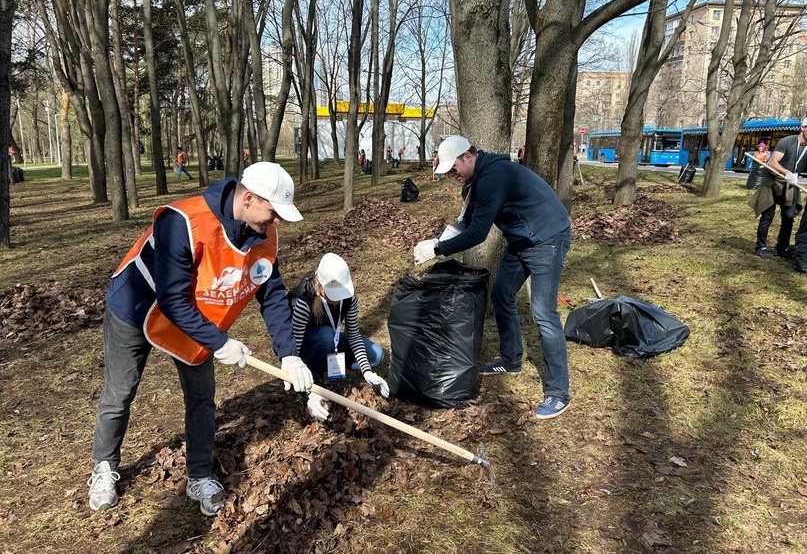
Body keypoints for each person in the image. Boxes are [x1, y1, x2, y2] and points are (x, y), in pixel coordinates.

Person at [87, 162, 314, 516]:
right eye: (273, 211)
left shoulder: (264, 235)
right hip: (136, 307)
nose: (277, 221)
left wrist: (289, 354)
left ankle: (200, 474)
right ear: (250, 198)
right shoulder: (182, 221)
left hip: (196, 318)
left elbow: (271, 294)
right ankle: (103, 467)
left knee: (202, 397)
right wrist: (220, 342)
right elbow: (172, 299)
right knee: (120, 392)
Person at [412, 135, 572, 420]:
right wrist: (436, 240)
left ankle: (559, 393)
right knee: (501, 295)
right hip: (521, 239)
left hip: (547, 237)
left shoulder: (494, 176)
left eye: (453, 168)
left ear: (467, 157)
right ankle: (511, 361)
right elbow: (465, 223)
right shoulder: (475, 183)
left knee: (544, 313)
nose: (452, 175)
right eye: (448, 171)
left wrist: (437, 249)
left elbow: (477, 234)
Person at [288, 253, 389, 421]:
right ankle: (312, 377)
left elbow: (354, 335)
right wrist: (306, 387)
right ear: (320, 285)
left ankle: (324, 363)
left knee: (376, 355)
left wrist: (367, 373)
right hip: (306, 345)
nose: (337, 299)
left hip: (329, 342)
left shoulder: (349, 296)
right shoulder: (303, 301)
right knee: (326, 334)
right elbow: (294, 346)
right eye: (332, 294)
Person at [748, 120, 807, 259]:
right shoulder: (787, 142)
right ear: (803, 128)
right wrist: (787, 173)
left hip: (791, 184)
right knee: (767, 216)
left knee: (788, 217)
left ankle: (782, 248)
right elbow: (773, 162)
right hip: (773, 182)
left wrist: (792, 177)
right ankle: (761, 247)